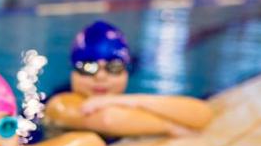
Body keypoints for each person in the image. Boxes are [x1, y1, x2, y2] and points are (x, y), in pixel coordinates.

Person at [44, 21, 213, 137]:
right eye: (89, 67)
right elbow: (109, 120)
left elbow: (203, 114)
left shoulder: (123, 101)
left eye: (113, 68)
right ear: (73, 73)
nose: (100, 77)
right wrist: (171, 127)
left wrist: (133, 101)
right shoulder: (59, 103)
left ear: (126, 72)